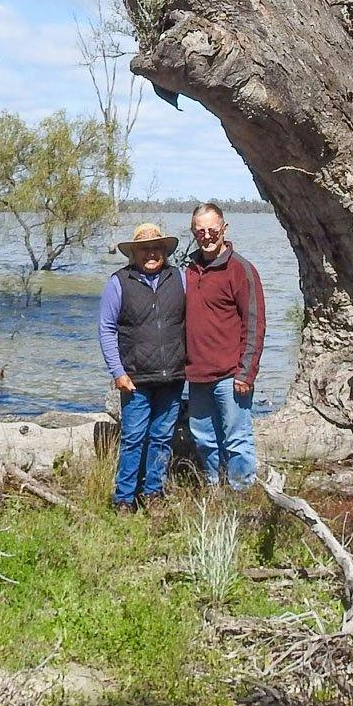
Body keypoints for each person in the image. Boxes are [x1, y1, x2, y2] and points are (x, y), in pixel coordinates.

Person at [97, 222, 186, 511]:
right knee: (133, 438)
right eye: (144, 248)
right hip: (135, 378)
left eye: (156, 248)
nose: (151, 253)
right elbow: (106, 329)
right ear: (134, 253)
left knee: (162, 437)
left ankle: (154, 493)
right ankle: (124, 498)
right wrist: (117, 372)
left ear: (164, 251)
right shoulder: (119, 282)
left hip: (172, 375)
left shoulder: (179, 278)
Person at [182, 202, 265, 490]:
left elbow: (255, 324)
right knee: (204, 437)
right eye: (200, 231)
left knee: (237, 438)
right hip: (197, 374)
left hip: (231, 375)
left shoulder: (241, 270)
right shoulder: (189, 270)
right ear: (193, 232)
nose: (206, 236)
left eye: (212, 230)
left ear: (224, 229)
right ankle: (214, 490)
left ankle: (242, 493)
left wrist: (246, 373)